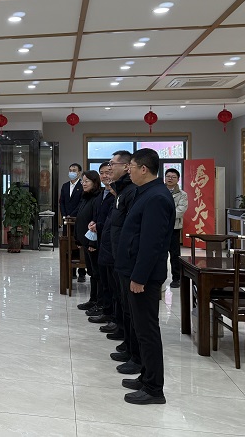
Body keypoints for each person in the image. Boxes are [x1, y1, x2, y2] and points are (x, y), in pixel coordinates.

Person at [117, 148, 175, 405]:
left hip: (145, 277)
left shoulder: (157, 197)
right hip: (135, 271)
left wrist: (139, 277)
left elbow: (152, 244)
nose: (128, 171)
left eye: (131, 166)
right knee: (141, 329)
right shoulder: (146, 192)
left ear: (143, 169)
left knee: (147, 330)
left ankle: (154, 388)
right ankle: (146, 376)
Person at [108, 150, 142, 375]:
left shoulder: (131, 192)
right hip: (118, 256)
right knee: (124, 304)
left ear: (127, 166)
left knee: (132, 310)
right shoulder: (120, 191)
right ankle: (129, 346)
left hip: (128, 259)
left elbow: (131, 231)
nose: (110, 168)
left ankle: (135, 355)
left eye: (113, 164)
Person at [88, 163, 117, 328]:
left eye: (108, 172)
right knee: (103, 279)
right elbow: (97, 215)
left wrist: (98, 225)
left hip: (110, 243)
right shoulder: (101, 194)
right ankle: (105, 310)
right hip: (99, 240)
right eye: (102, 173)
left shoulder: (117, 194)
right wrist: (93, 224)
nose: (105, 176)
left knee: (111, 283)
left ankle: (111, 314)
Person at [74, 170, 102, 311]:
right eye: (82, 181)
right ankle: (93, 299)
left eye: (87, 181)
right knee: (91, 271)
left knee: (96, 273)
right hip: (85, 240)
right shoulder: (86, 196)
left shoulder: (97, 198)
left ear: (94, 182)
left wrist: (92, 242)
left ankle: (98, 301)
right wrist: (78, 238)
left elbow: (95, 221)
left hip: (92, 242)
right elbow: (80, 217)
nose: (83, 184)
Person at [60, 163, 86, 280]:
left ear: (79, 173)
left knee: (79, 245)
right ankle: (72, 271)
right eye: (70, 170)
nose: (72, 172)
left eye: (74, 170)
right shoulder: (65, 186)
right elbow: (62, 202)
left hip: (78, 220)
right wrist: (65, 215)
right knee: (69, 246)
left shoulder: (82, 185)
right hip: (67, 221)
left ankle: (82, 272)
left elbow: (82, 203)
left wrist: (72, 215)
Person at [164, 168, 188, 288]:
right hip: (160, 227)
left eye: (173, 177)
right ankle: (160, 277)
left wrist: (164, 215)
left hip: (174, 228)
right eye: (168, 176)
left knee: (175, 254)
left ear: (178, 179)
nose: (170, 179)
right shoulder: (160, 191)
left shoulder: (182, 194)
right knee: (160, 253)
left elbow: (181, 210)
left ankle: (176, 278)